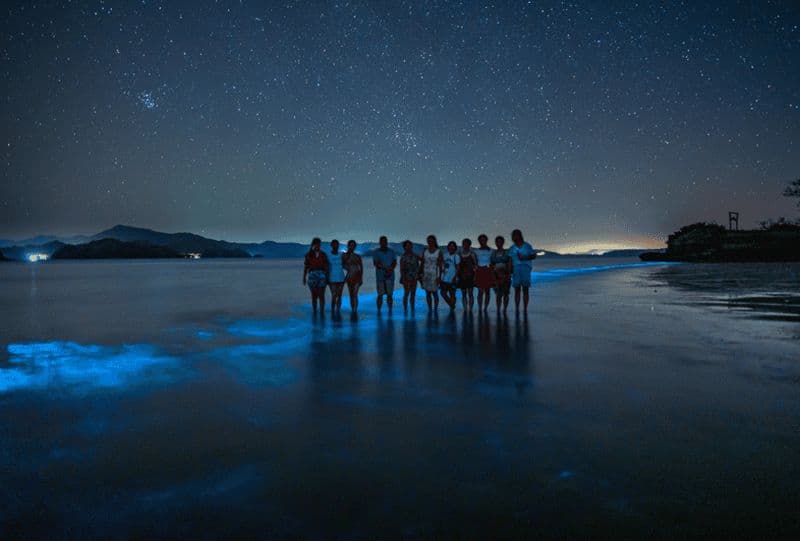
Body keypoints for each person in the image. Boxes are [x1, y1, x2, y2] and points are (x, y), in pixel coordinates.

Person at [509, 229, 536, 314]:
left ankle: (525, 309)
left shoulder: (527, 246)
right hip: (516, 269)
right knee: (517, 289)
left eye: (516, 235)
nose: (515, 237)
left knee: (525, 289)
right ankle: (517, 308)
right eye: (514, 235)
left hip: (525, 268)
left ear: (520, 235)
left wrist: (525, 257)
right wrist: (509, 270)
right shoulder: (512, 248)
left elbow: (533, 255)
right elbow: (510, 260)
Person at [302, 237, 329, 315]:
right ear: (313, 245)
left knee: (321, 295)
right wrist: (304, 277)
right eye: (316, 245)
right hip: (312, 275)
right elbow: (306, 266)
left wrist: (327, 277)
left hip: (321, 275)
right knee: (314, 295)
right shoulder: (308, 255)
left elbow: (326, 266)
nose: (318, 246)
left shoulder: (323, 254)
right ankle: (314, 312)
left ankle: (321, 312)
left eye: (319, 245)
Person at [373, 235, 397, 313]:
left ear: (387, 242)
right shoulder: (376, 252)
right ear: (380, 243)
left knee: (390, 295)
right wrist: (386, 268)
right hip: (380, 277)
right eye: (382, 241)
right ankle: (378, 311)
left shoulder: (391, 251)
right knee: (380, 295)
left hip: (390, 276)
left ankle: (390, 310)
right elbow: (376, 263)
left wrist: (390, 269)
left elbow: (394, 262)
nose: (383, 243)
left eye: (385, 241)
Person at [491, 235, 512, 314]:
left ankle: (505, 309)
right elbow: (492, 264)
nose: (499, 243)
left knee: (506, 293)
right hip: (496, 275)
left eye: (500, 242)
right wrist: (493, 275)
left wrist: (509, 274)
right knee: (498, 294)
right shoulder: (494, 253)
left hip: (505, 274)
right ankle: (498, 309)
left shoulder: (507, 253)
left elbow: (509, 263)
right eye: (497, 242)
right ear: (496, 243)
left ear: (503, 242)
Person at [421, 235, 441, 311]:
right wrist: (421, 274)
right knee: (428, 293)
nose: (430, 242)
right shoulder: (425, 251)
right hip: (426, 274)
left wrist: (439, 276)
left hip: (434, 274)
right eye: (428, 240)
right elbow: (423, 263)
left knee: (435, 293)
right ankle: (430, 308)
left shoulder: (438, 251)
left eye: (431, 240)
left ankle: (435, 308)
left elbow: (440, 265)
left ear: (434, 241)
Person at [399, 240, 421, 313]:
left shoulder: (415, 255)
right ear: (404, 247)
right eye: (407, 246)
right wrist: (403, 277)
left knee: (413, 293)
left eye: (410, 246)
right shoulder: (403, 257)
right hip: (406, 277)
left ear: (412, 247)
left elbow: (423, 260)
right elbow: (401, 269)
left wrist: (420, 272)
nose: (408, 247)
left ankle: (412, 308)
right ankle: (405, 309)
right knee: (406, 293)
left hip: (414, 277)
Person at [342, 240, 363, 314]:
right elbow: (342, 265)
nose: (352, 247)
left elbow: (361, 267)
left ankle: (355, 309)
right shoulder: (344, 256)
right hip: (349, 276)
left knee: (355, 293)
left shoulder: (358, 256)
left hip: (357, 276)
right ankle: (353, 309)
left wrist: (361, 278)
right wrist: (346, 269)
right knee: (351, 294)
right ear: (348, 246)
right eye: (351, 245)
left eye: (353, 245)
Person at [474, 233, 494, 312]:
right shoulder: (476, 251)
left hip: (488, 271)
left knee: (487, 291)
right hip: (479, 271)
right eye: (481, 240)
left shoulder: (491, 251)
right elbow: (475, 262)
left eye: (484, 240)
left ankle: (485, 308)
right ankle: (479, 307)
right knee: (480, 291)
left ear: (486, 240)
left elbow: (493, 262)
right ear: (479, 241)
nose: (482, 241)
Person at [439, 241, 460, 310]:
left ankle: (452, 307)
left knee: (452, 293)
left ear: (455, 248)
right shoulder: (445, 255)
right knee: (443, 293)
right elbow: (442, 265)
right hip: (444, 278)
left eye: (453, 246)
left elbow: (458, 268)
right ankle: (451, 305)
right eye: (450, 246)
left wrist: (455, 277)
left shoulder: (456, 257)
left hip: (452, 278)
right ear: (448, 247)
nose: (451, 247)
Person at [458, 238, 477, 311]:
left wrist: (475, 276)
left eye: (467, 244)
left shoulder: (472, 254)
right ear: (462, 245)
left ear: (469, 245)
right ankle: (465, 308)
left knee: (470, 293)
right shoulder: (459, 254)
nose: (465, 245)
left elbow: (475, 265)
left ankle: (471, 309)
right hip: (462, 276)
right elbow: (458, 265)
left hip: (470, 275)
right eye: (464, 244)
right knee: (463, 293)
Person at [327, 239, 345, 314]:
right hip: (332, 278)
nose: (335, 246)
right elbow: (326, 267)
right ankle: (333, 310)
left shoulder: (341, 254)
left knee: (340, 295)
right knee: (334, 295)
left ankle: (338, 310)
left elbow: (345, 264)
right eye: (334, 244)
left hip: (341, 277)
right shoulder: (328, 255)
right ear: (331, 245)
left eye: (337, 244)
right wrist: (326, 277)